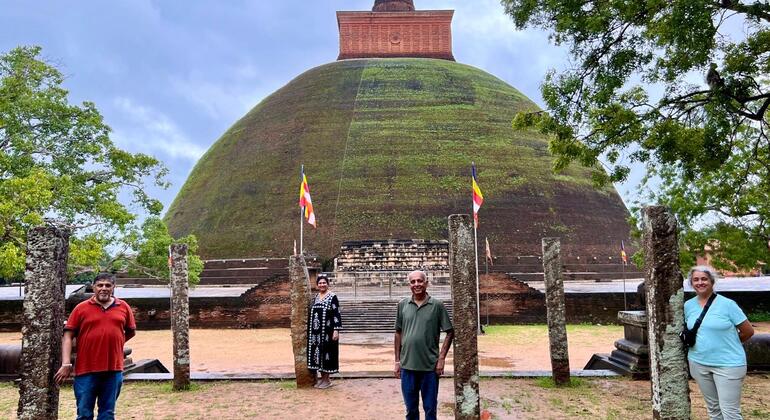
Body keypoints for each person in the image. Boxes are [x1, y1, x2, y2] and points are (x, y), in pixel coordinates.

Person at [54, 272, 136, 420]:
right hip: (86, 369)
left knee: (107, 413)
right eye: (100, 285)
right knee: (84, 413)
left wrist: (114, 344)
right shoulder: (81, 308)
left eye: (108, 285)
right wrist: (66, 363)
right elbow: (67, 336)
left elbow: (131, 331)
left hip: (113, 369)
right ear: (93, 287)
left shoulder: (123, 307)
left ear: (113, 287)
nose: (104, 288)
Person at [685, 266, 754, 420]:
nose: (700, 282)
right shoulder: (688, 306)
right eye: (696, 279)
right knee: (714, 410)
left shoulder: (728, 305)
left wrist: (727, 345)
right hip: (699, 362)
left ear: (712, 281)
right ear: (691, 283)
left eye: (704, 279)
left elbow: (748, 331)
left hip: (728, 364)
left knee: (730, 412)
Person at [394, 270, 454, 420]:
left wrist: (441, 358)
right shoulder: (402, 305)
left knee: (430, 409)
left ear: (426, 283)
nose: (417, 284)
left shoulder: (437, 305)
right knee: (411, 410)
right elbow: (398, 333)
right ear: (409, 285)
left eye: (420, 281)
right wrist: (397, 361)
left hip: (430, 368)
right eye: (413, 282)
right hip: (407, 367)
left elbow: (450, 331)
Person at [307, 274, 342, 389]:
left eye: (324, 283)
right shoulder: (316, 297)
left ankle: (327, 380)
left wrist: (336, 330)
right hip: (316, 334)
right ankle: (322, 378)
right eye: (320, 283)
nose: (322, 285)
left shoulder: (332, 296)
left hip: (328, 332)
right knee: (319, 354)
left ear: (328, 284)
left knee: (327, 354)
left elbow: (337, 313)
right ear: (317, 285)